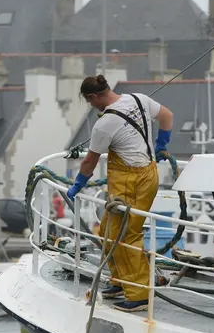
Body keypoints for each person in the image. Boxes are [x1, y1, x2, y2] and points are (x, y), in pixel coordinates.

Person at [66, 75, 173, 312]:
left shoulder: (104, 124)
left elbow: (89, 162)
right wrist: (162, 143)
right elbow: (167, 116)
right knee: (106, 231)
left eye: (90, 102)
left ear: (93, 97)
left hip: (130, 181)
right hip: (148, 174)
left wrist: (76, 187)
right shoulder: (139, 99)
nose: (92, 106)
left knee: (125, 237)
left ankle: (139, 295)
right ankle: (120, 281)